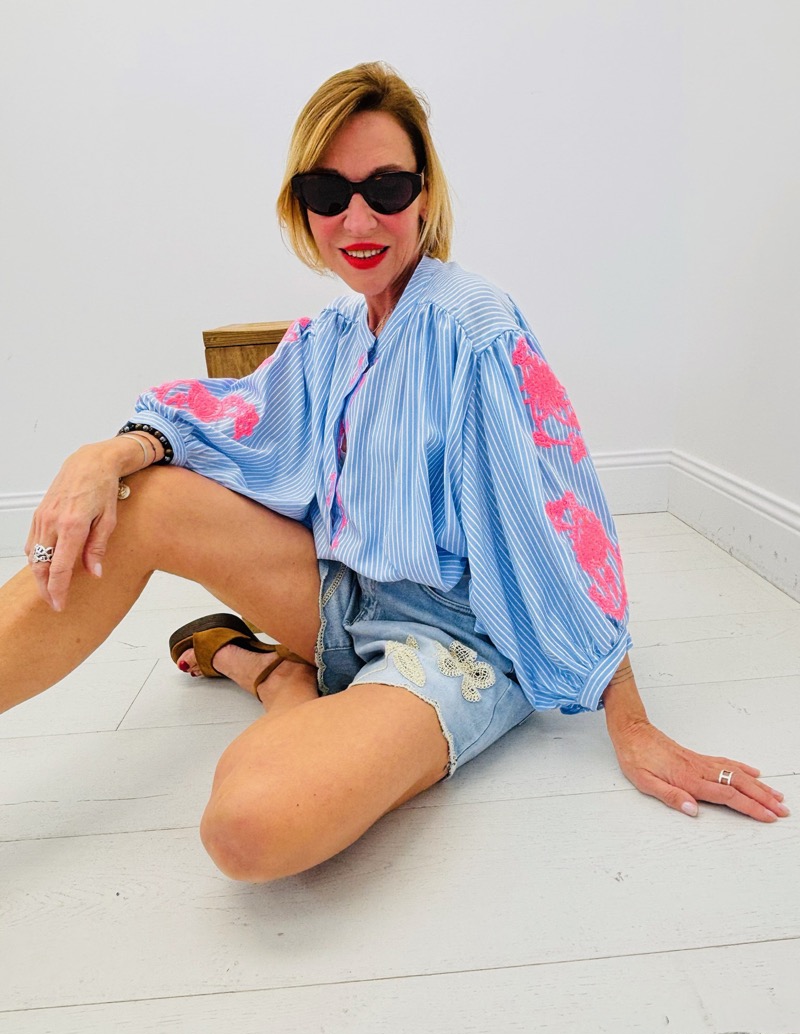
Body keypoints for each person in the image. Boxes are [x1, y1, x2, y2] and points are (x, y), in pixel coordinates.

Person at [1, 62, 788, 881]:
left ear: (424, 194)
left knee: (247, 827)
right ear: (302, 206)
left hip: (452, 639)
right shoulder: (333, 334)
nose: (358, 218)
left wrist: (630, 721)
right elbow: (229, 415)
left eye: (386, 186)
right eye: (328, 192)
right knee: (139, 496)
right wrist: (106, 453)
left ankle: (274, 674)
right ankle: (304, 668)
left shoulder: (473, 327)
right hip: (342, 594)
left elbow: (555, 521)